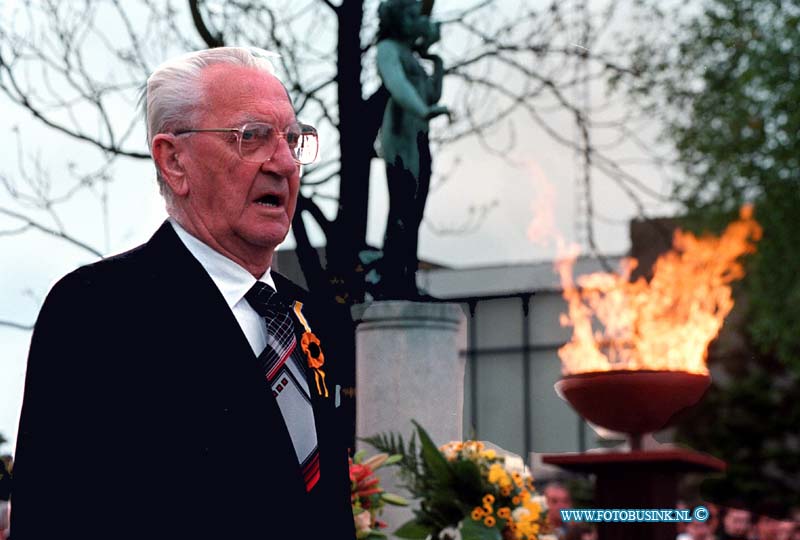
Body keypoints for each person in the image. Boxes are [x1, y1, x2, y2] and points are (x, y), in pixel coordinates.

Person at [11, 47, 356, 540]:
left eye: (293, 139)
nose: (283, 162)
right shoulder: (97, 312)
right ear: (173, 160)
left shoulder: (311, 317)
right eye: (252, 137)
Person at [375, 0, 449, 298]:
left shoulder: (409, 54)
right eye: (409, 14)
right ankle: (393, 279)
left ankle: (406, 277)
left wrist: (437, 64)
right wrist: (423, 110)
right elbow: (397, 85)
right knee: (402, 208)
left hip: (419, 137)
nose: (416, 19)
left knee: (414, 211)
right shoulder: (388, 50)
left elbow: (431, 93)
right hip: (401, 138)